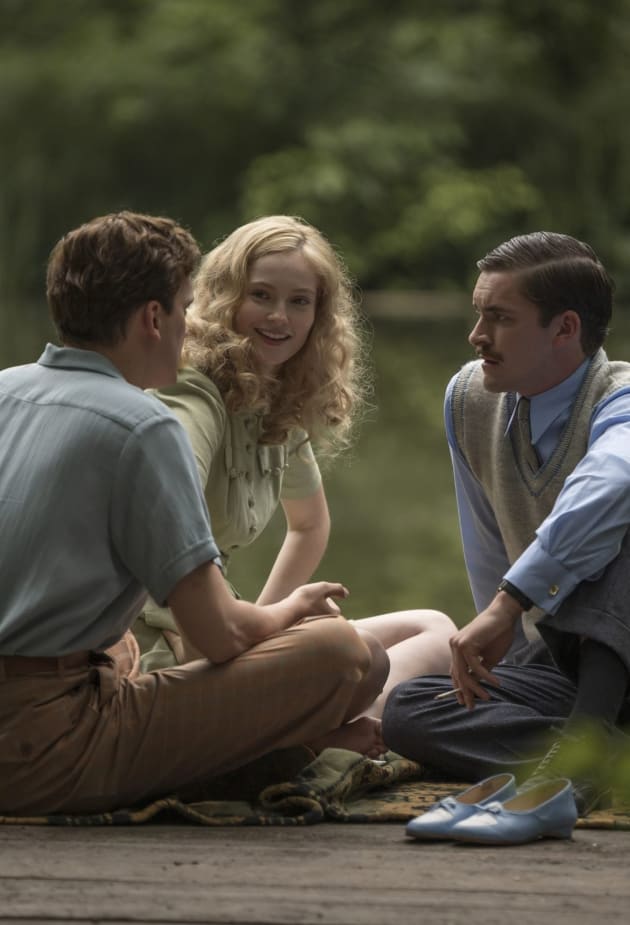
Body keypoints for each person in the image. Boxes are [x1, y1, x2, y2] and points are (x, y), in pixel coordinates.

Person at [0, 210, 391, 816]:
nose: (192, 328)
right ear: (153, 319)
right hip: (48, 743)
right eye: (185, 308)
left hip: (59, 697)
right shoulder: (143, 423)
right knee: (342, 652)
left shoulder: (6, 391)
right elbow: (220, 633)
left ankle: (270, 752)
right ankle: (280, 757)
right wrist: (292, 609)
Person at [132, 214, 455, 721]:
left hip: (223, 631)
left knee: (434, 629)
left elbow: (309, 524)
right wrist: (257, 631)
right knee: (349, 654)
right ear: (223, 297)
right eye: (260, 295)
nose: (279, 316)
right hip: (163, 644)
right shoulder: (192, 392)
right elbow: (166, 520)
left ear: (318, 315)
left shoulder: (279, 399)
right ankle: (311, 732)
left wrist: (264, 619)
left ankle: (320, 726)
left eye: (299, 301)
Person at [382, 231, 630, 816]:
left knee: (615, 527)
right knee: (411, 710)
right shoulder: (470, 398)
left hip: (620, 648)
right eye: (478, 315)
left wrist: (508, 603)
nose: (476, 337)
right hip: (566, 671)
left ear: (565, 329)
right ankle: (593, 755)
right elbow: (487, 545)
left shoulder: (620, 399)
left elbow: (613, 481)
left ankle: (580, 759)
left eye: (499, 318)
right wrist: (501, 675)